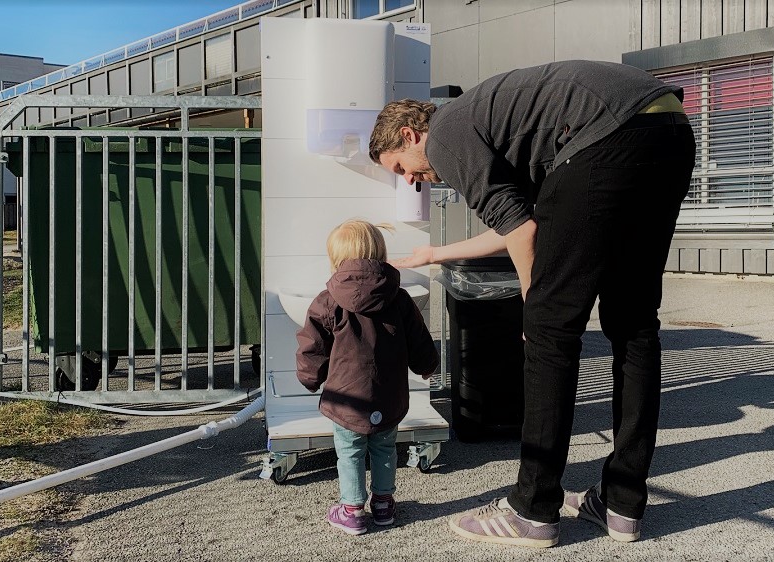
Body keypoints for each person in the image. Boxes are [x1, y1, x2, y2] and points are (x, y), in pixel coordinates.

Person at [370, 60, 696, 547]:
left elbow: (522, 232)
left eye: (401, 169)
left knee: (548, 332)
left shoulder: (445, 132)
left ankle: (533, 508)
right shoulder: (497, 123)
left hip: (608, 137)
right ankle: (622, 503)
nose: (412, 181)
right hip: (667, 128)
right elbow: (523, 223)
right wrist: (435, 253)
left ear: (410, 134)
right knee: (633, 324)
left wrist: (536, 305)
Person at [295, 219, 440, 536]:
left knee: (349, 452)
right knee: (385, 449)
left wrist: (309, 378)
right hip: (388, 397)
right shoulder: (399, 298)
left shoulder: (328, 300)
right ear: (379, 254)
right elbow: (419, 340)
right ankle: (384, 505)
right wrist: (428, 365)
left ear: (337, 260)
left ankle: (351, 510)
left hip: (347, 399)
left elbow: (313, 346)